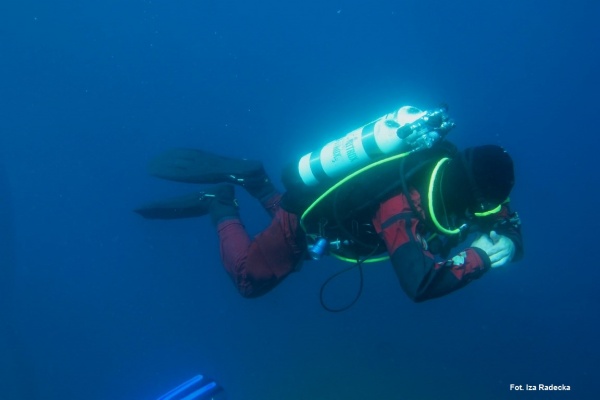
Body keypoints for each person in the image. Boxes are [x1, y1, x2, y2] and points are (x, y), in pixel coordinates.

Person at [135, 105, 523, 302]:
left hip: (323, 219)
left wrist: (510, 238)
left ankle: (256, 180)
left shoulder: (454, 169)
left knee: (306, 236)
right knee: (249, 282)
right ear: (470, 193)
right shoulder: (402, 206)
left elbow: (499, 213)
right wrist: (480, 258)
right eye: (487, 204)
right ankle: (218, 201)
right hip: (303, 218)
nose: (491, 211)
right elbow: (419, 282)